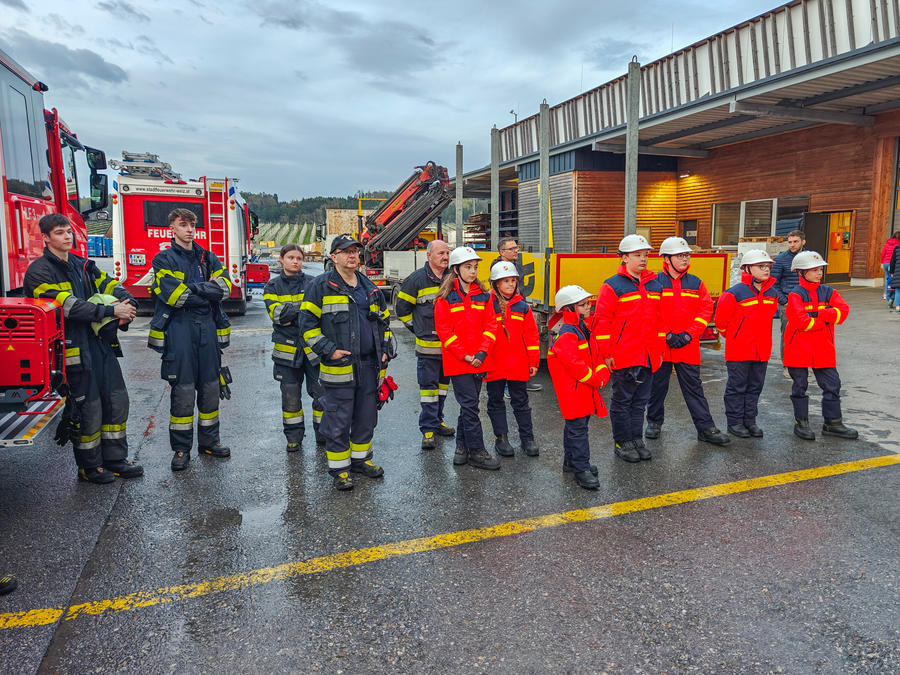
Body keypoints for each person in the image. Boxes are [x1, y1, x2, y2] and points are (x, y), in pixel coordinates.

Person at [25, 213, 141, 483]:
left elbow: (111, 285)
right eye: (59, 232)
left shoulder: (83, 265)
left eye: (69, 231)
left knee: (116, 401)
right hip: (73, 350)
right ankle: (90, 467)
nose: (67, 236)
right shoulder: (39, 272)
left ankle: (115, 459)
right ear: (45, 238)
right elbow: (69, 307)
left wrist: (128, 304)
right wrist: (111, 311)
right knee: (88, 408)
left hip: (100, 345)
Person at [298, 234, 393, 491]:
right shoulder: (320, 286)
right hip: (339, 367)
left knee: (366, 417)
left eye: (355, 251)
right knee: (338, 419)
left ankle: (361, 460)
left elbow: (384, 322)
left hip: (369, 365)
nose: (352, 256)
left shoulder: (369, 287)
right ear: (334, 257)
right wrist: (329, 351)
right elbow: (307, 327)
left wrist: (385, 349)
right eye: (346, 251)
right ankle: (340, 469)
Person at [148, 208, 232, 472]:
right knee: (183, 391)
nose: (189, 229)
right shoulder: (163, 259)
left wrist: (194, 289)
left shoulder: (208, 257)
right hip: (179, 328)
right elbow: (175, 297)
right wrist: (206, 291)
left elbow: (225, 289)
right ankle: (181, 449)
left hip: (208, 327)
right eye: (183, 224)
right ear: (171, 228)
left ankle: (210, 442)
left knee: (210, 388)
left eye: (192, 225)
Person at [645, 237, 730, 446]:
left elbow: (705, 310)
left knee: (694, 389)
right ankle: (654, 422)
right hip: (661, 345)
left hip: (687, 346)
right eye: (680, 255)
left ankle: (706, 428)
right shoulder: (654, 283)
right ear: (666, 259)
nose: (685, 259)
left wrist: (689, 334)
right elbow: (650, 312)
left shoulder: (696, 283)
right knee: (657, 387)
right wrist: (666, 334)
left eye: (686, 255)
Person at [592, 234, 664, 463]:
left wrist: (659, 350)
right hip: (623, 354)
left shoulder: (654, 284)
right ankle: (622, 442)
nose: (643, 259)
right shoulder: (612, 285)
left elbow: (660, 321)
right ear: (624, 258)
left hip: (648, 355)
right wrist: (607, 353)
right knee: (622, 402)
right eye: (637, 255)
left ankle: (636, 439)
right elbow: (602, 322)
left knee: (640, 402)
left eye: (645, 255)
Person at [434, 246, 501, 470]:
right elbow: (445, 332)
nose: (473, 271)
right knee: (471, 406)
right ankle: (478, 452)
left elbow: (491, 326)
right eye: (468, 267)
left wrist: (481, 352)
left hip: (479, 360)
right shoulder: (444, 298)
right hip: (458, 362)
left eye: (475, 267)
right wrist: (465, 355)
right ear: (456, 270)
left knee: (468, 405)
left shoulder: (483, 295)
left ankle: (461, 448)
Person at [784, 251, 858, 440]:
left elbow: (843, 312)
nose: (819, 273)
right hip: (798, 348)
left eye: (820, 269)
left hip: (823, 348)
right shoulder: (795, 295)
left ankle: (833, 423)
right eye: (814, 270)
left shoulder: (829, 292)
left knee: (833, 385)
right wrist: (826, 318)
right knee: (800, 386)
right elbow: (801, 323)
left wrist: (819, 314)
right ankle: (801, 424)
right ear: (801, 272)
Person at [395, 239, 455, 450]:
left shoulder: (453, 278)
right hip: (428, 348)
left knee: (442, 389)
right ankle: (428, 429)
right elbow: (401, 310)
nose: (445, 257)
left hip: (449, 349)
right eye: (441, 253)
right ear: (428, 256)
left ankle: (438, 421)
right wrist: (417, 329)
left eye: (447, 253)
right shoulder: (416, 280)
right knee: (428, 390)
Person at [547, 285, 610, 489]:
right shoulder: (568, 334)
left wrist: (602, 373)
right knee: (578, 430)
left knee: (576, 427)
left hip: (580, 389)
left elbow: (596, 355)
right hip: (574, 391)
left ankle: (571, 462)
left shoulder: (582, 329)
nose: (588, 307)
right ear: (568, 309)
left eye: (588, 303)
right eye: (583, 305)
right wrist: (597, 380)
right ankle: (581, 469)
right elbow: (576, 366)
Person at [263, 244, 324, 452]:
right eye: (290, 257)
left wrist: (294, 315)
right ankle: (293, 438)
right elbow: (278, 316)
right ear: (282, 259)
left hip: (313, 351)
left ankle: (323, 435)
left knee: (321, 395)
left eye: (298, 258)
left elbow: (318, 314)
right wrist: (302, 313)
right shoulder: (272, 286)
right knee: (291, 398)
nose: (295, 261)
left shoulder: (313, 283)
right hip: (286, 353)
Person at [714, 250, 779, 438]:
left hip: (762, 350)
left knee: (755, 387)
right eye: (761, 266)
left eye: (768, 266)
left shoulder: (772, 293)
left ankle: (750, 421)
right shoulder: (733, 294)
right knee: (737, 387)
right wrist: (736, 337)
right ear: (747, 269)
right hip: (739, 351)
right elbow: (721, 322)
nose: (766, 270)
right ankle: (735, 422)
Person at [484, 261, 540, 458]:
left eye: (513, 281)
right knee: (496, 401)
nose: (510, 284)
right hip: (494, 363)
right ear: (496, 283)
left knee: (521, 402)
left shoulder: (522, 307)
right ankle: (501, 438)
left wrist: (533, 362)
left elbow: (531, 336)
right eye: (505, 281)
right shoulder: (487, 304)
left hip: (517, 363)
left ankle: (528, 439)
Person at [491, 237, 541, 393]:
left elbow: (531, 336)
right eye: (512, 248)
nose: (516, 250)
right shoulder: (498, 267)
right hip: (507, 309)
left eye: (516, 247)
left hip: (517, 305)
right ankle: (507, 385)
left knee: (518, 345)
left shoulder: (517, 266)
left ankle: (521, 380)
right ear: (502, 252)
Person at [771, 230, 806, 377]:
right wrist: (783, 301)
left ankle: (802, 366)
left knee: (804, 336)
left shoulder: (809, 258)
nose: (792, 245)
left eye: (795, 241)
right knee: (788, 335)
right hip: (788, 304)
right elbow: (773, 283)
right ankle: (787, 366)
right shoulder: (781, 259)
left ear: (803, 242)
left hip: (806, 304)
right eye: (790, 242)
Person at [881, 231, 899, 308]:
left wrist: (882, 263)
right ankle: (892, 297)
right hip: (893, 264)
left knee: (888, 279)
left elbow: (883, 254)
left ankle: (886, 294)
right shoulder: (898, 244)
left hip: (885, 263)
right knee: (895, 280)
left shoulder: (887, 243)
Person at [892, 240, 900, 314]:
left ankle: (898, 307)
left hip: (898, 272)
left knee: (898, 290)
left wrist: (892, 272)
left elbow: (893, 261)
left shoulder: (897, 248)